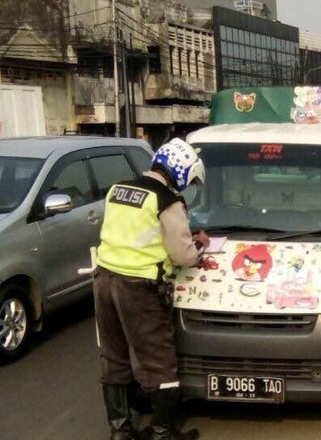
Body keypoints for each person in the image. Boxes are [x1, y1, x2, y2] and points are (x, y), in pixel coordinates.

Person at [94, 138, 207, 440]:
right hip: (140, 287)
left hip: (104, 280)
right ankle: (163, 433)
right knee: (160, 362)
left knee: (114, 355)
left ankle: (120, 431)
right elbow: (183, 255)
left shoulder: (118, 189)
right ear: (181, 171)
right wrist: (200, 245)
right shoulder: (167, 201)